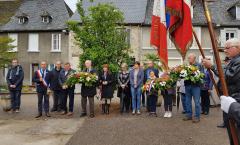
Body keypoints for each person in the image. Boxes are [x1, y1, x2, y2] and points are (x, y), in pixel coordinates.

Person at [203, 38, 240, 145]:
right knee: (233, 134)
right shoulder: (234, 60)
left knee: (236, 133)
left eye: (227, 48)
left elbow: (229, 76)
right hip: (231, 99)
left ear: (237, 48)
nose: (225, 50)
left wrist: (212, 66)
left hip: (236, 100)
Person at [183, 53, 203, 123]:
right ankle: (189, 115)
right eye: (188, 58)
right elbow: (183, 75)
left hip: (196, 86)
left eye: (190, 58)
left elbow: (202, 75)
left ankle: (197, 116)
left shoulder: (199, 65)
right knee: (187, 101)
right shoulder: (186, 65)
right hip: (187, 85)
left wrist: (195, 75)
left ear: (194, 58)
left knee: (197, 102)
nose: (188, 59)